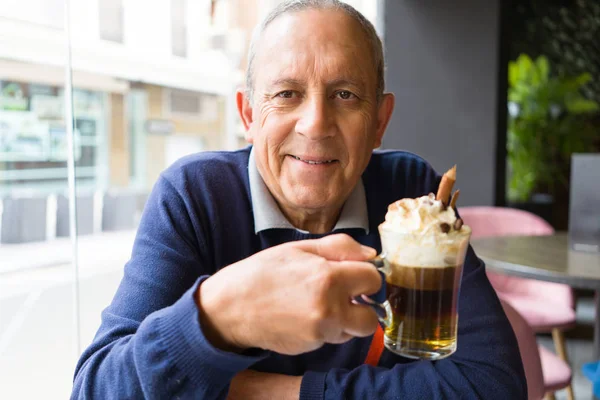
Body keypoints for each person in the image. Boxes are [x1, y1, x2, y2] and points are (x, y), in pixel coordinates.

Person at [72, 1, 527, 399]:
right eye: (287, 94)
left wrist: (275, 393)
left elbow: (492, 384)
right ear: (249, 115)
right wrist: (221, 317)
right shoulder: (195, 196)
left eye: (345, 95)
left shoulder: (412, 195)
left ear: (379, 122)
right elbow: (96, 389)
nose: (315, 124)